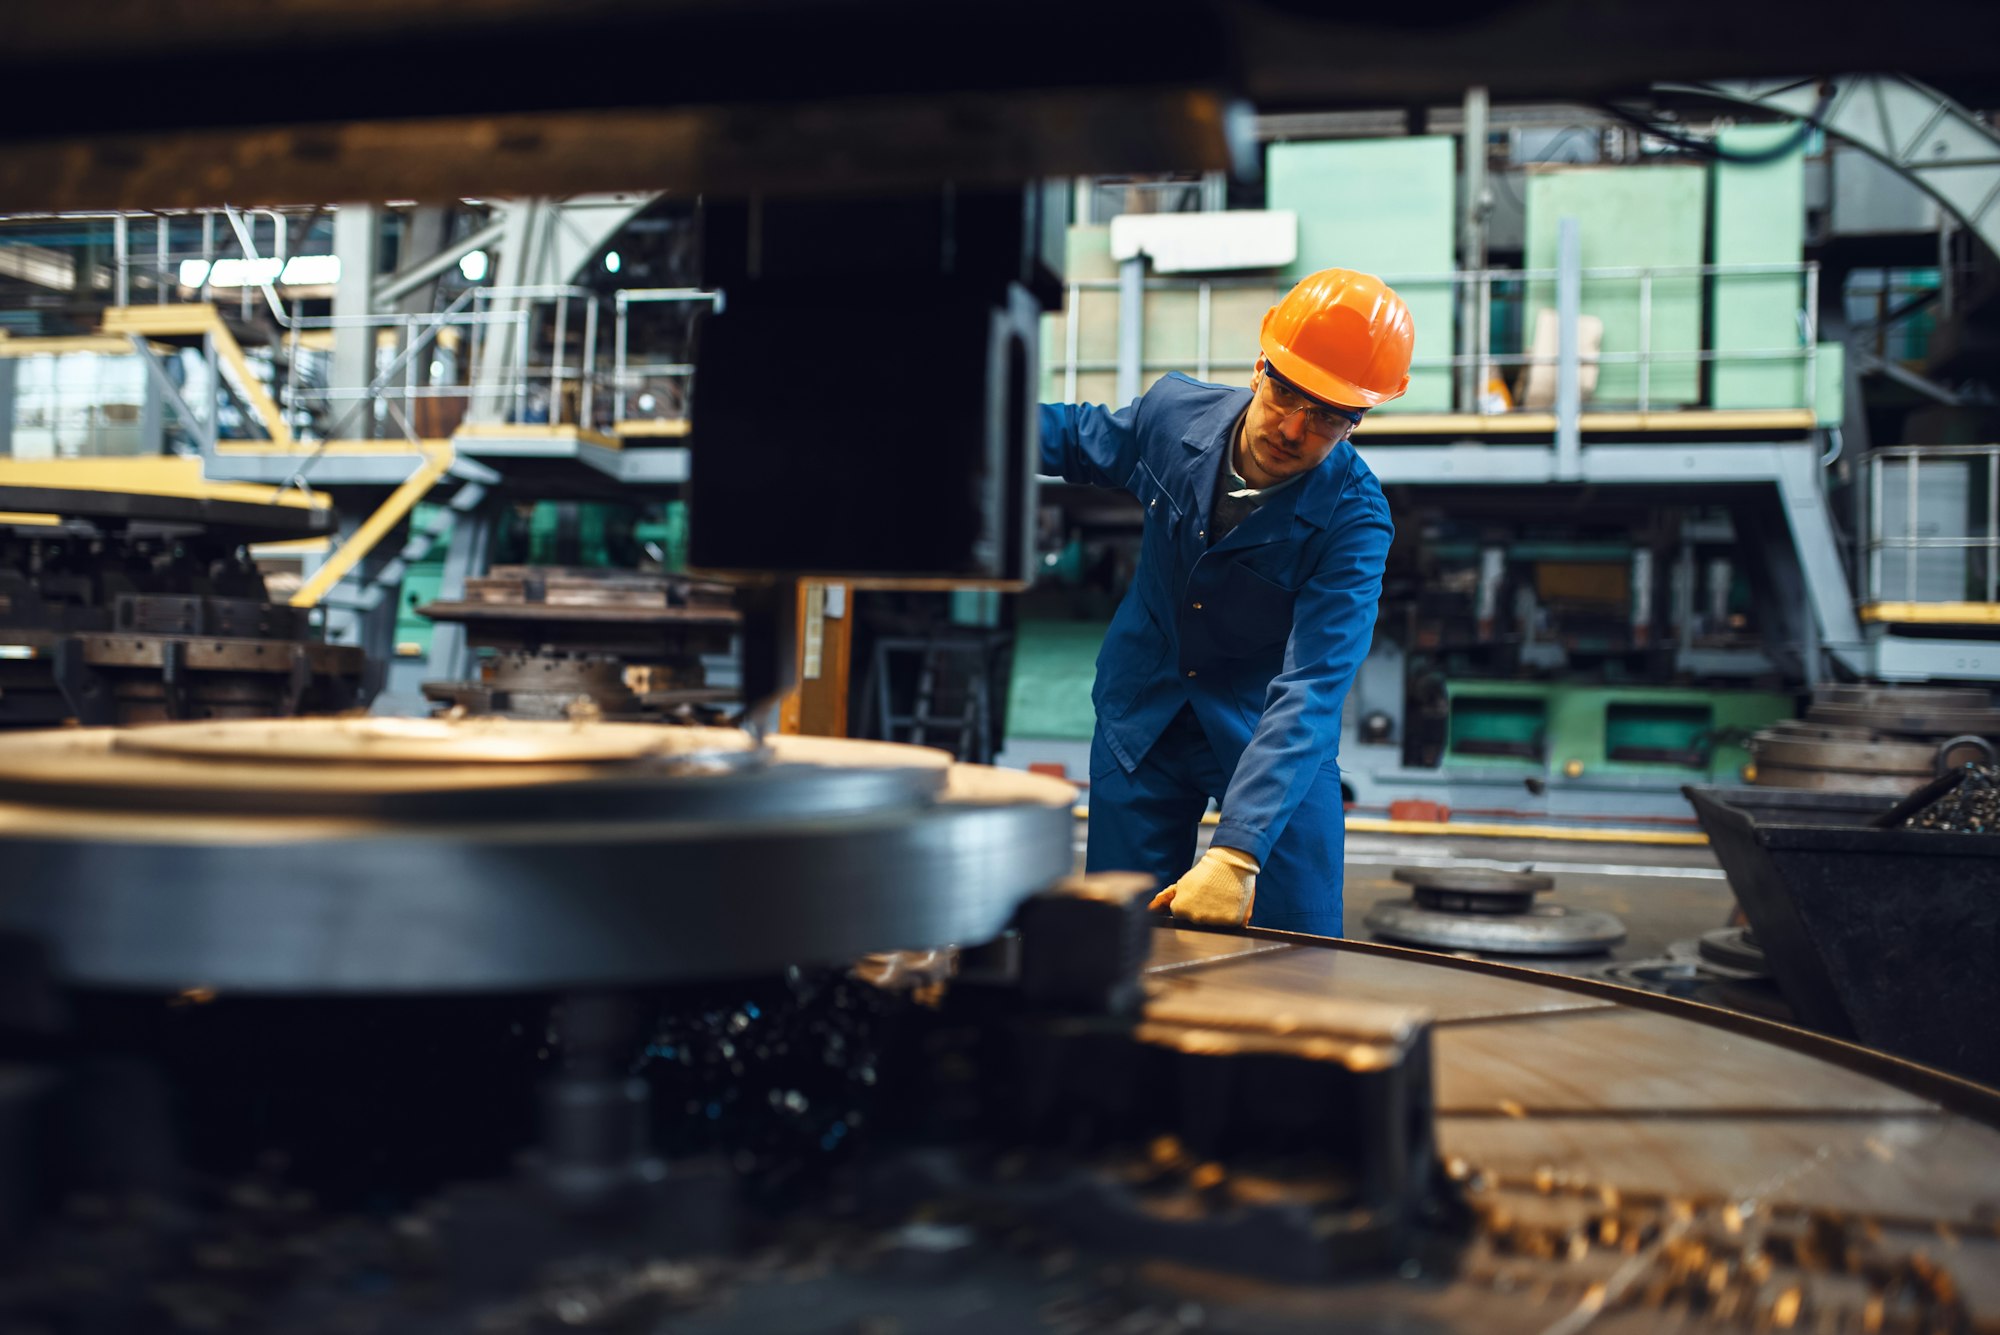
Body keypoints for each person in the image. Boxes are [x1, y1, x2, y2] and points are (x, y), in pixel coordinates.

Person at [1038, 268, 1411, 935]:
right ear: (1259, 364)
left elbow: (1316, 683)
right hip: (1143, 715)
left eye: (1327, 416)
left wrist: (1239, 851)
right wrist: (966, 416)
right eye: (1287, 393)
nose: (1294, 428)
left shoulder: (1355, 520)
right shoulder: (1172, 415)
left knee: (1299, 950)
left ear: (1360, 418)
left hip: (1267, 730)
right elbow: (1072, 437)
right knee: (1118, 941)